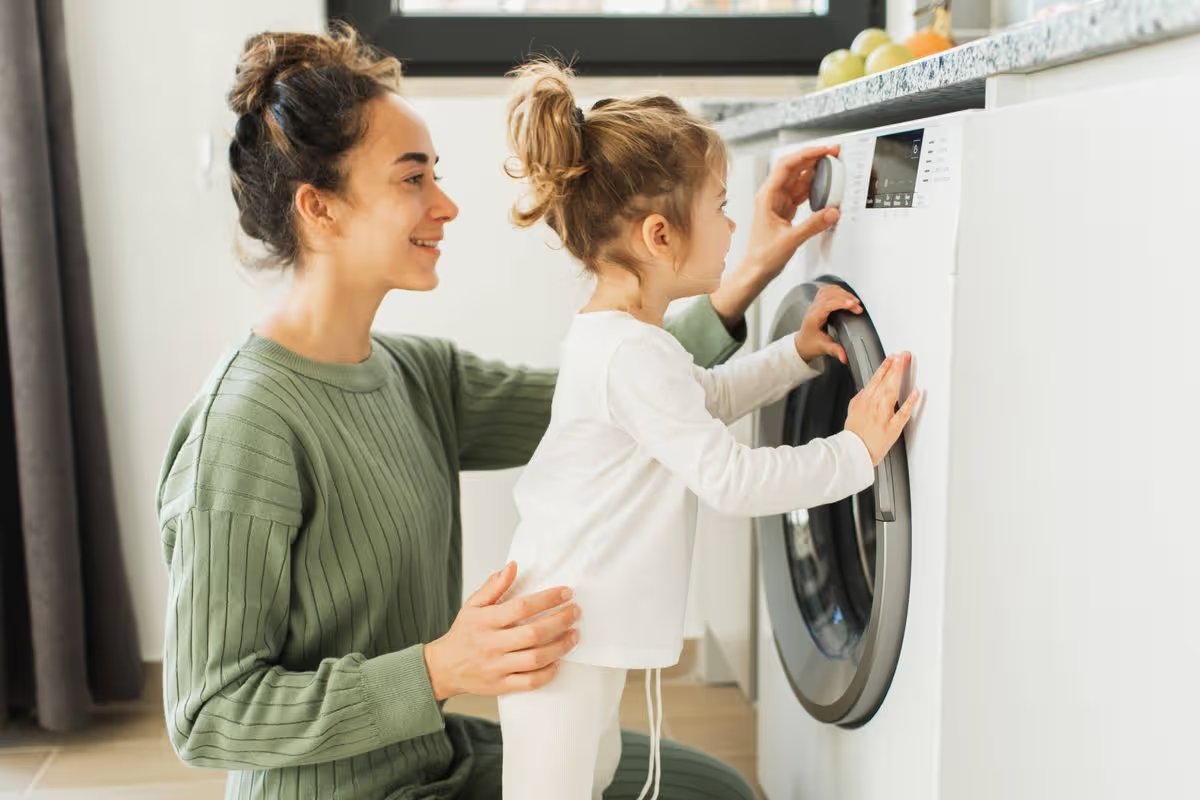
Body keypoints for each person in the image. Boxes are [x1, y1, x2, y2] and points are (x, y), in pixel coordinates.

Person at [158, 24, 853, 800]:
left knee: (713, 792)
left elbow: (614, 403)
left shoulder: (417, 375)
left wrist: (741, 268)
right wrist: (439, 669)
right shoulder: (244, 428)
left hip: (434, 754)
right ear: (320, 209)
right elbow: (208, 715)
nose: (447, 204)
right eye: (412, 179)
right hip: (340, 790)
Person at [495, 60, 918, 800]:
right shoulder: (628, 353)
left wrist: (793, 355)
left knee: (582, 781)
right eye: (721, 208)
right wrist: (854, 452)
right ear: (660, 236)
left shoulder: (628, 340)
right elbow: (732, 479)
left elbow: (708, 396)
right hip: (551, 639)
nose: (733, 226)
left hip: (567, 627)